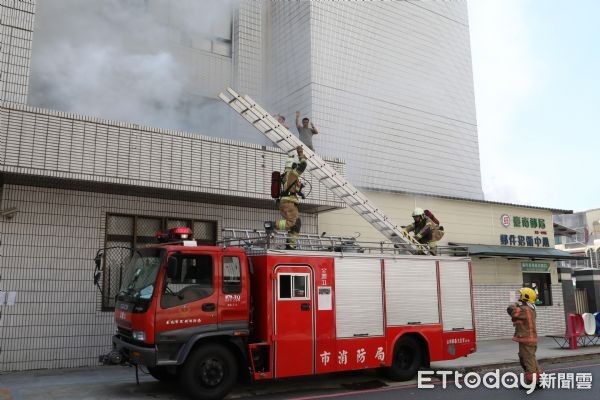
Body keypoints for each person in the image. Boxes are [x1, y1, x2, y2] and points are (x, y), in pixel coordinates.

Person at [507, 287, 542, 387]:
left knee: (527, 359)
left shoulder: (525, 309)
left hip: (526, 339)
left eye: (521, 294)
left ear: (525, 297)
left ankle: (532, 382)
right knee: (531, 359)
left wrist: (513, 305)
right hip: (529, 339)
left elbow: (513, 312)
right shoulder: (530, 308)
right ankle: (538, 380)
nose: (519, 296)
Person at [275, 146, 307, 249]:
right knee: (292, 222)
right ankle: (272, 225)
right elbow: (304, 164)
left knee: (297, 223)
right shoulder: (292, 174)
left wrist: (300, 191)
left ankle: (290, 245)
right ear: (294, 165)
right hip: (288, 203)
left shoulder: (286, 176)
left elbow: (290, 189)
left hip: (286, 202)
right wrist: (300, 152)